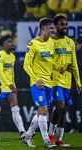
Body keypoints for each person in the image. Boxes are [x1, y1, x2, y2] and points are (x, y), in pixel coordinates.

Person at [23, 18, 63, 148]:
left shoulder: (51, 43)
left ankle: (28, 135)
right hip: (38, 83)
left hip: (49, 83)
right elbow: (26, 65)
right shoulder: (33, 44)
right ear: (43, 28)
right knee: (44, 109)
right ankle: (47, 141)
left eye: (54, 28)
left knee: (41, 112)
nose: (54, 30)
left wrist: (58, 68)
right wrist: (36, 80)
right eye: (51, 28)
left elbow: (50, 62)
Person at [48, 15, 82, 146]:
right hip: (55, 81)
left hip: (67, 82)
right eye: (62, 24)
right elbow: (47, 62)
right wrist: (58, 68)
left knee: (64, 110)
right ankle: (51, 134)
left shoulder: (70, 42)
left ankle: (59, 139)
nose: (65, 27)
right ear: (55, 26)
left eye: (66, 24)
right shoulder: (51, 41)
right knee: (60, 106)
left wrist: (78, 81)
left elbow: (74, 64)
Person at [0, 35, 26, 138]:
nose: (12, 43)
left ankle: (22, 132)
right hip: (1, 88)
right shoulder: (0, 55)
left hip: (10, 88)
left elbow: (12, 73)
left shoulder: (13, 57)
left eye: (12, 41)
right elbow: (0, 72)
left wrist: (14, 86)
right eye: (9, 42)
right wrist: (8, 84)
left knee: (15, 109)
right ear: (4, 44)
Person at [69, 38, 82, 133]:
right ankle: (75, 127)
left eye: (76, 44)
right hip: (71, 87)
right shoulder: (70, 55)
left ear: (81, 45)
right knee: (71, 110)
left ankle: (80, 128)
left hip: (80, 87)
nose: (75, 46)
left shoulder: (79, 56)